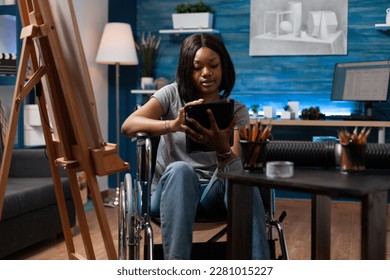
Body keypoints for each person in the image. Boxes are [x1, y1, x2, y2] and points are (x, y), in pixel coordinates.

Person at [122, 33, 270, 260]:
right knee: (181, 169)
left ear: (224, 68)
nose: (207, 73)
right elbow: (128, 125)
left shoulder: (237, 111)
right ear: (186, 70)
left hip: (214, 193)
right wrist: (172, 125)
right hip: (172, 190)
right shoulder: (171, 95)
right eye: (197, 67)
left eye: (213, 65)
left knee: (241, 178)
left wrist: (221, 148)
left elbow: (236, 167)